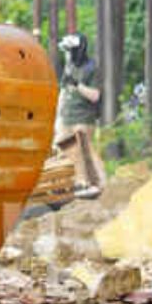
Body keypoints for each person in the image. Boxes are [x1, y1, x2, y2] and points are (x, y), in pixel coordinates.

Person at [56, 33, 107, 198]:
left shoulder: (92, 68)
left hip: (83, 117)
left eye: (70, 50)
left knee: (85, 150)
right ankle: (78, 183)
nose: (68, 53)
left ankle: (96, 184)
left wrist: (77, 84)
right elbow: (64, 91)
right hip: (67, 117)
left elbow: (95, 96)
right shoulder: (69, 66)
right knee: (66, 149)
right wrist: (58, 114)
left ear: (78, 50)